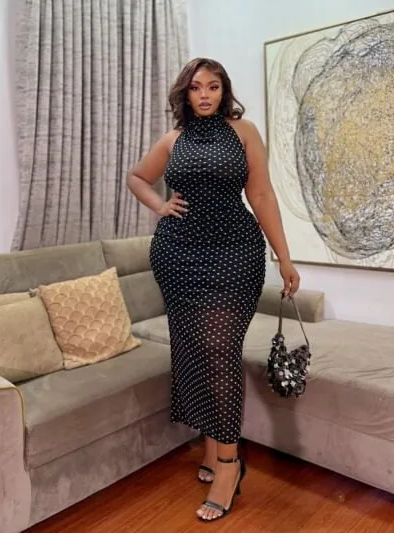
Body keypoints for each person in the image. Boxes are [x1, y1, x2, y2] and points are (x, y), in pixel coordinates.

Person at [127, 57, 300, 522]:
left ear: (224, 91)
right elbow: (137, 177)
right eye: (196, 87)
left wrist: (284, 257)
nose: (205, 94)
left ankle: (228, 464)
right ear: (185, 94)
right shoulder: (173, 140)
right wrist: (160, 205)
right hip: (177, 255)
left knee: (220, 350)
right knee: (194, 350)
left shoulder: (243, 132)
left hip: (234, 254)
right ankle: (211, 447)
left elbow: (261, 194)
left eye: (214, 86)